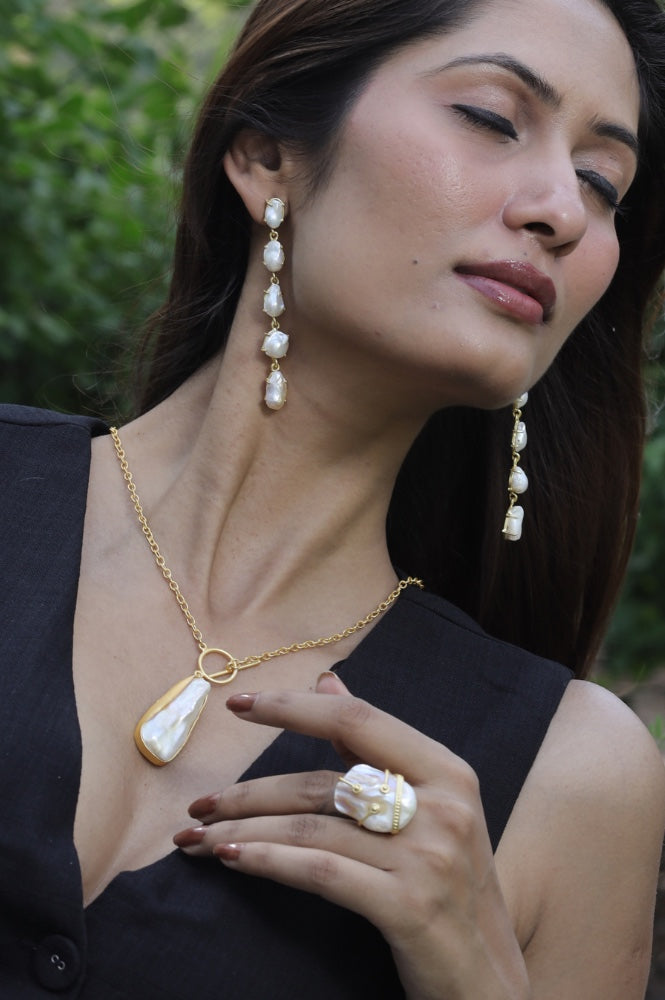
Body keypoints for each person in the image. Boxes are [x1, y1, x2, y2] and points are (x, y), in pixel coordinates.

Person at [2, 0, 665, 996]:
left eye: (600, 181)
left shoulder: (574, 779)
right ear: (266, 154)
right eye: (491, 118)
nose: (560, 211)